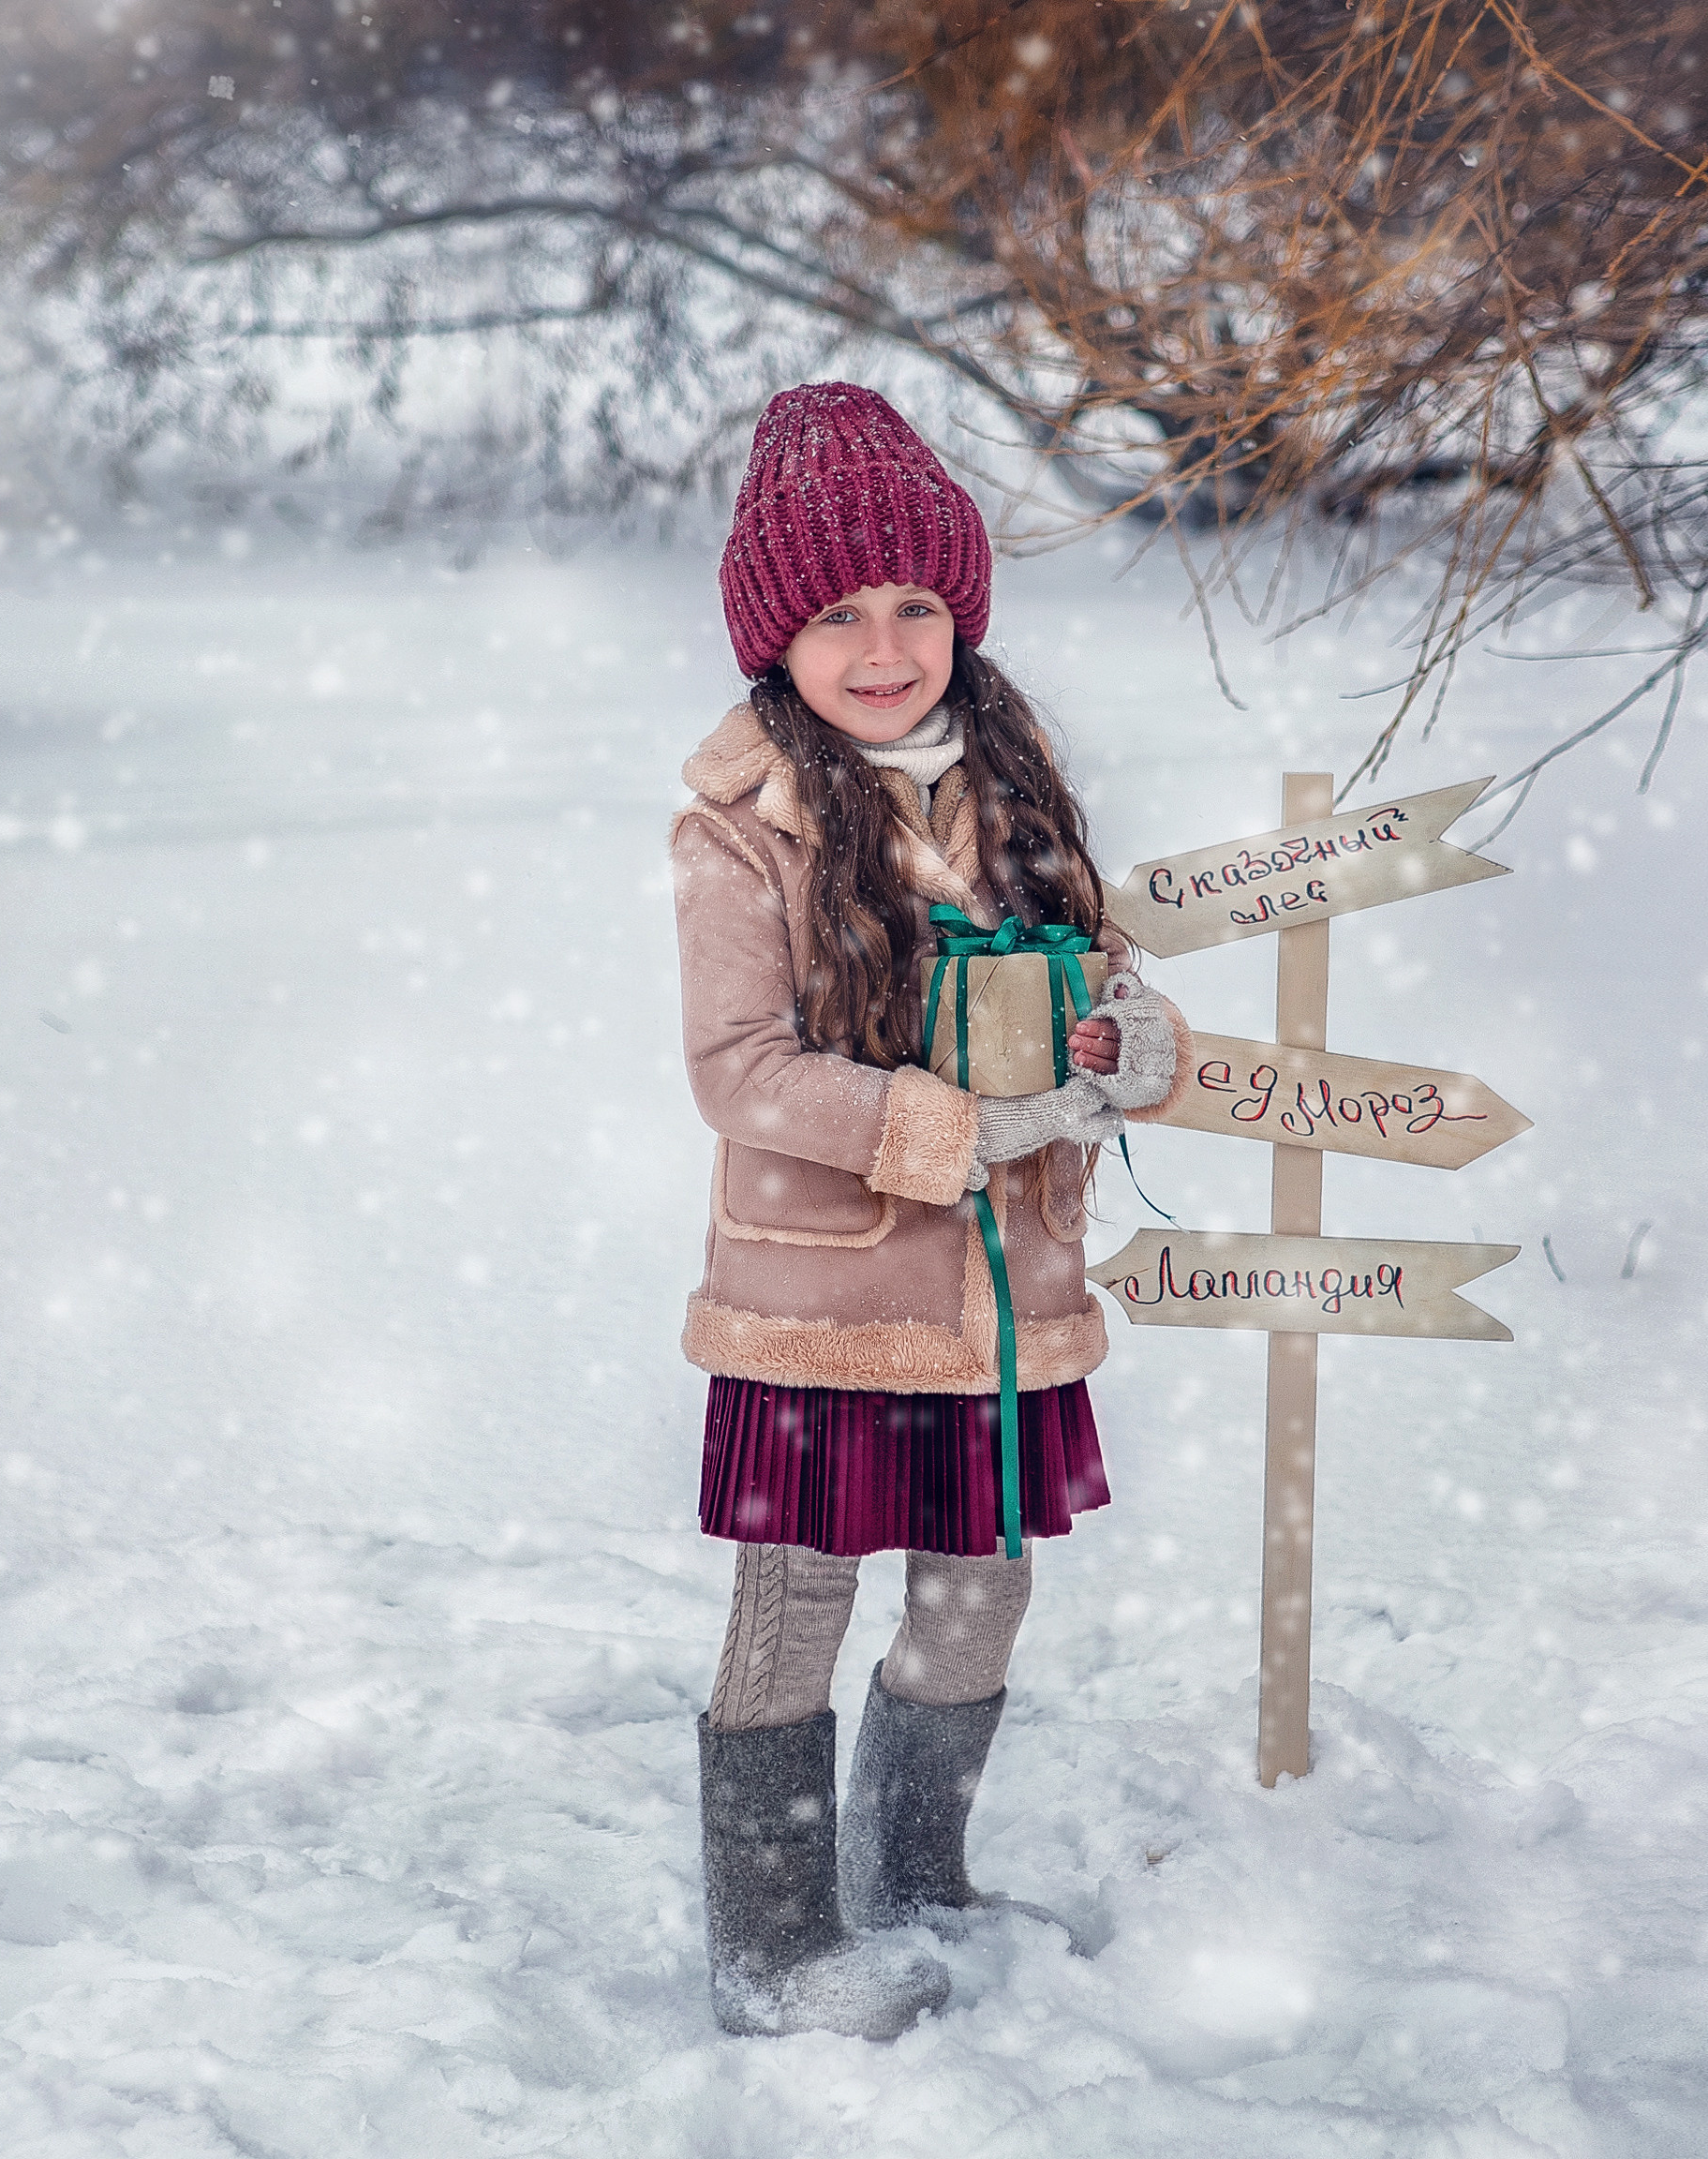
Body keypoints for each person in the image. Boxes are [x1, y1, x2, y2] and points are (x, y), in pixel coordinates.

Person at [672, 381, 1191, 2039]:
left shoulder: (1019, 791)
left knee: (982, 1582)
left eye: (914, 604)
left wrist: (1136, 1038)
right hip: (823, 1292)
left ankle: (919, 1879)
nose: (883, 643)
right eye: (838, 613)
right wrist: (936, 1125)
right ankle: (767, 1946)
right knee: (801, 1590)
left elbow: (1104, 977)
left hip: (1002, 1291)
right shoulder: (737, 828)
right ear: (779, 640)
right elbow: (741, 1067)